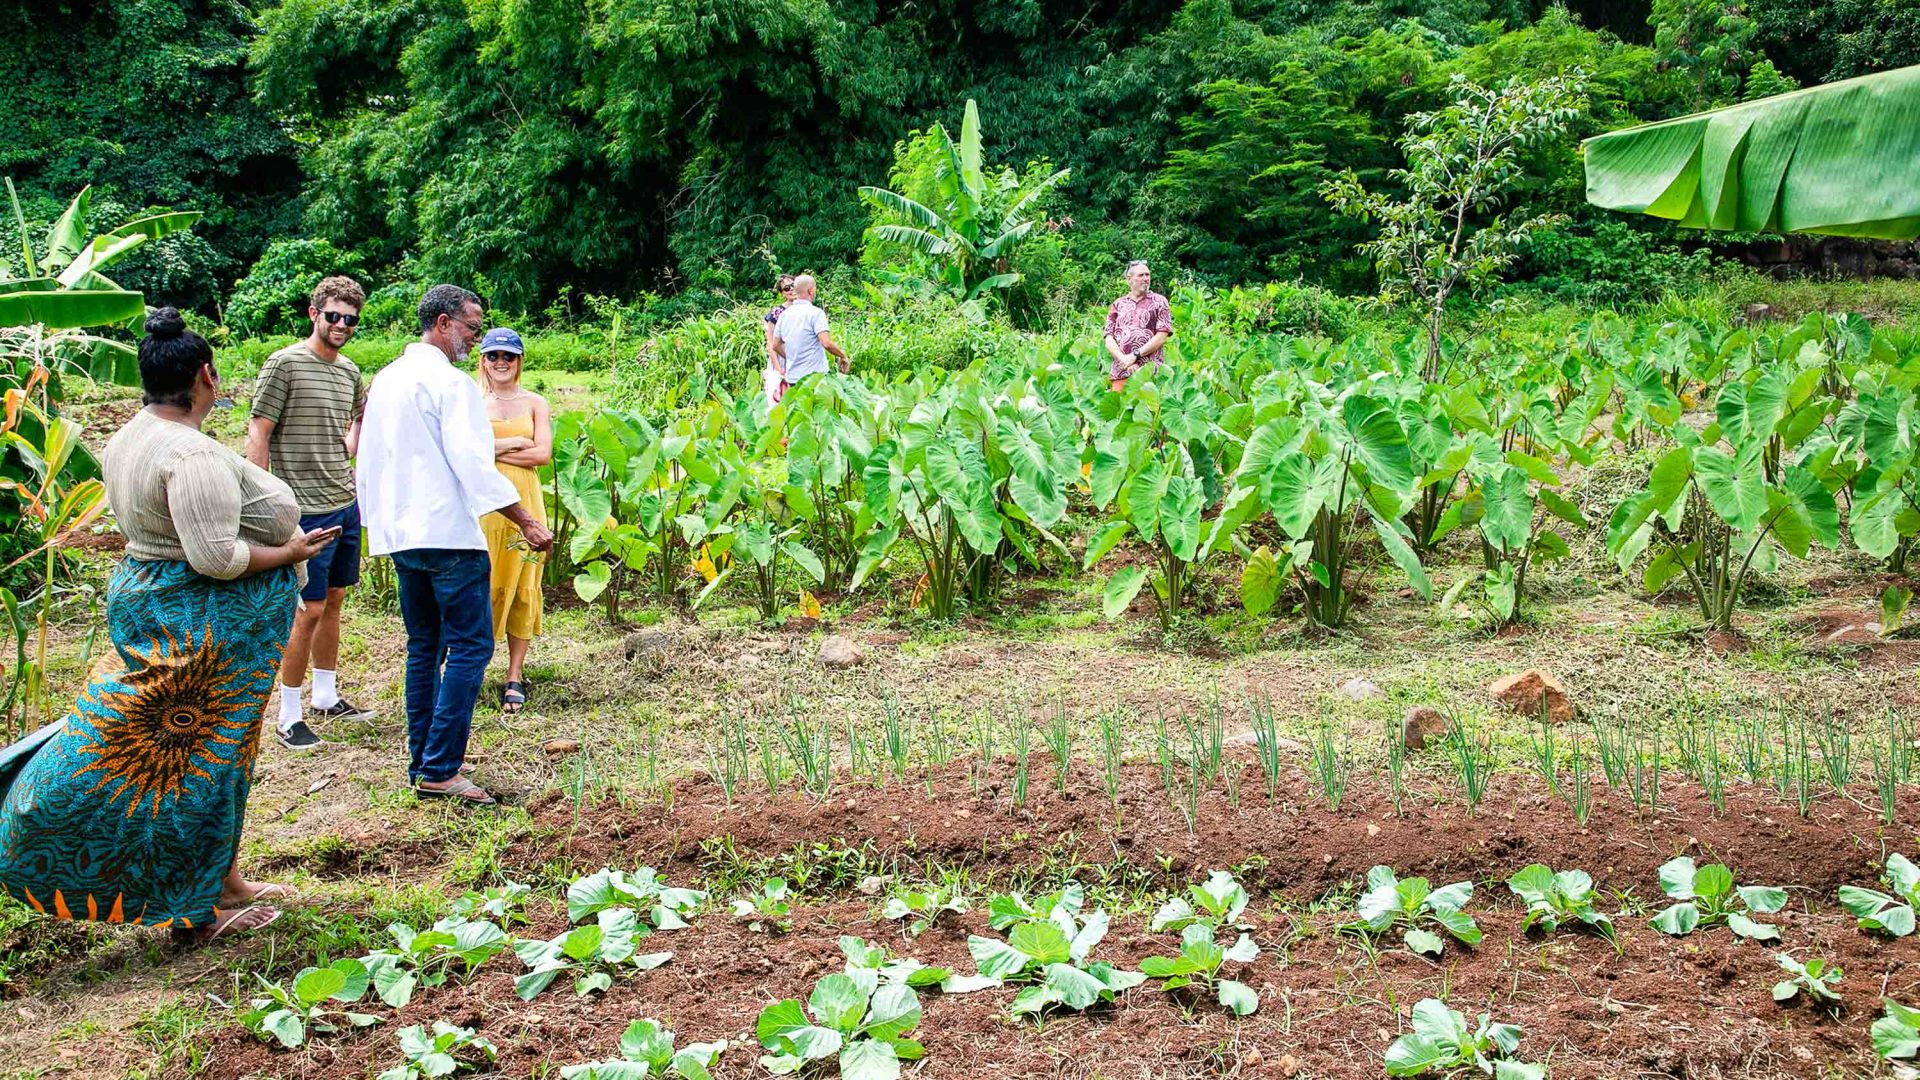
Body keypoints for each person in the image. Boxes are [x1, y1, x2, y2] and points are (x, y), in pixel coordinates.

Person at [0, 310, 339, 942]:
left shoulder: (132, 434)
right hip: (197, 621)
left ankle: (224, 879)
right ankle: (198, 906)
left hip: (158, 601)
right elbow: (216, 558)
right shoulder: (191, 454)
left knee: (220, 751)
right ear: (206, 375)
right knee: (191, 761)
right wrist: (293, 553)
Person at [356, 286, 553, 805]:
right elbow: (472, 462)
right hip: (448, 534)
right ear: (443, 323)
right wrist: (526, 520)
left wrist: (378, 526)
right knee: (470, 646)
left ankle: (422, 761)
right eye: (471, 325)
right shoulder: (451, 383)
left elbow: (368, 459)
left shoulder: (387, 380)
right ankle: (442, 767)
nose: (474, 336)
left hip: (402, 535)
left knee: (424, 647)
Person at [244, 275, 374, 752]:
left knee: (335, 598)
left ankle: (326, 694)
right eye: (334, 315)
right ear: (314, 313)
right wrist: (262, 501)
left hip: (343, 500)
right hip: (303, 508)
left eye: (351, 319)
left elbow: (355, 421)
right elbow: (258, 432)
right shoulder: (285, 363)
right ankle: (288, 714)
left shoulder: (349, 371)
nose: (342, 325)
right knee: (308, 608)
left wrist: (353, 453)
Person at [475, 328, 552, 716]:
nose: (500, 363)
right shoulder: (472, 401)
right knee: (483, 582)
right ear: (483, 361)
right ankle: (474, 669)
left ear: (519, 360)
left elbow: (542, 454)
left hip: (525, 499)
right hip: (485, 505)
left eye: (508, 356)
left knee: (523, 583)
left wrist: (492, 455)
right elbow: (466, 453)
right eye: (493, 356)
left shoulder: (536, 402)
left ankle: (515, 675)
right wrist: (511, 445)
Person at [771, 275, 849, 396]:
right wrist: (843, 356)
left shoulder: (784, 315)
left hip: (793, 378)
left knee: (798, 412)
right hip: (815, 379)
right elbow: (826, 343)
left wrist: (793, 356)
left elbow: (775, 345)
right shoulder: (816, 313)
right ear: (811, 290)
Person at [1103, 260, 1174, 392]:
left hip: (1150, 373)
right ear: (1129, 279)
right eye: (1141, 275)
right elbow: (1108, 337)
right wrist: (1124, 359)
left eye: (1148, 275)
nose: (1146, 279)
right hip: (1121, 371)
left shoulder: (1159, 301)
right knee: (1119, 410)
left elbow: (1162, 335)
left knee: (1148, 410)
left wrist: (1135, 355)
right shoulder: (1118, 304)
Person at [762, 274, 796, 407]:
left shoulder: (806, 308)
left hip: (799, 357)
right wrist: (778, 368)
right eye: (787, 288)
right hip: (781, 357)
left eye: (793, 285)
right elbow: (771, 343)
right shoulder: (777, 312)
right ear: (782, 293)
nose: (791, 290)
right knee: (777, 398)